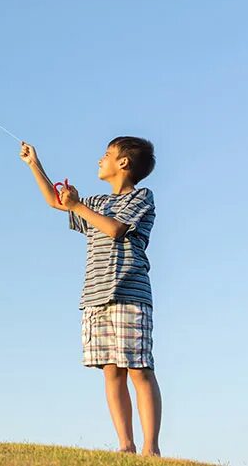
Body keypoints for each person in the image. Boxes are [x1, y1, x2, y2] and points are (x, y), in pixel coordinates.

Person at [20, 137, 162, 456]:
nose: (100, 160)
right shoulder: (96, 202)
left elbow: (116, 230)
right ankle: (126, 445)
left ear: (123, 163)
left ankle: (151, 449)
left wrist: (78, 205)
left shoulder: (142, 197)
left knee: (139, 369)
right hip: (95, 296)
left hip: (129, 293)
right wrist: (35, 165)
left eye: (107, 155)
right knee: (111, 370)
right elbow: (57, 203)